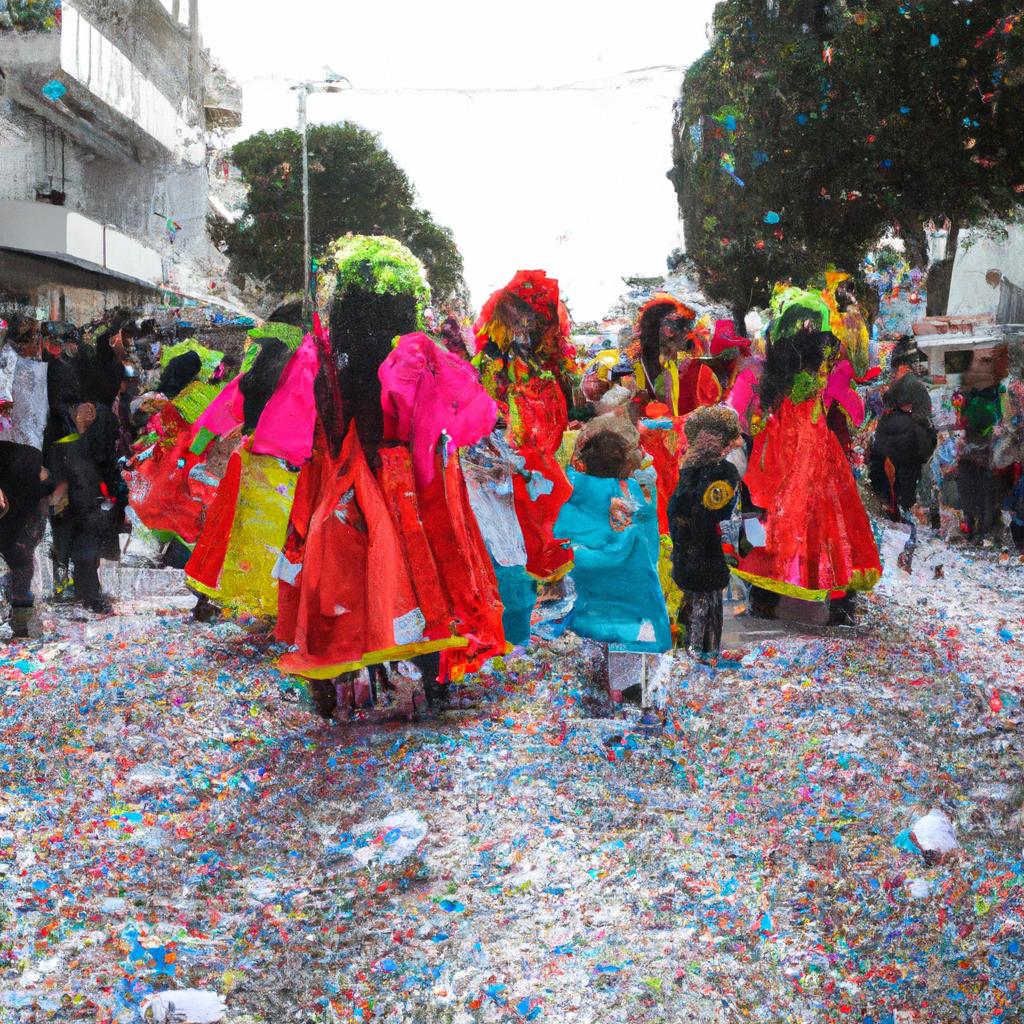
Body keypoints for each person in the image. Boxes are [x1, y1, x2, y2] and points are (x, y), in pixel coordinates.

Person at [734, 285, 882, 625]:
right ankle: (828, 602)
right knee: (821, 531)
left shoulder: (762, 376)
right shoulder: (768, 377)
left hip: (799, 467)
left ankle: (774, 600)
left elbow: (738, 419)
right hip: (797, 467)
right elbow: (854, 403)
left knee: (801, 531)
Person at [555, 424, 670, 717]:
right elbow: (647, 536)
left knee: (598, 642)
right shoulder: (631, 491)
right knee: (634, 640)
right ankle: (636, 698)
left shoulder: (572, 488)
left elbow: (561, 533)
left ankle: (601, 699)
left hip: (591, 588)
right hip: (632, 588)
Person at [668, 406, 742, 659]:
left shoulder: (681, 467)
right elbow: (717, 515)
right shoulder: (724, 474)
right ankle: (700, 654)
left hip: (685, 555)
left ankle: (689, 652)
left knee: (690, 609)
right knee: (703, 614)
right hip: (704, 557)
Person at [47, 402, 120, 613]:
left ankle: (86, 593)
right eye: (83, 409)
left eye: (92, 410)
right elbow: (61, 478)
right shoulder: (65, 443)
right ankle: (87, 594)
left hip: (87, 502)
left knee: (84, 550)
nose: (88, 413)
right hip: (76, 504)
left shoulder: (92, 441)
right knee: (80, 550)